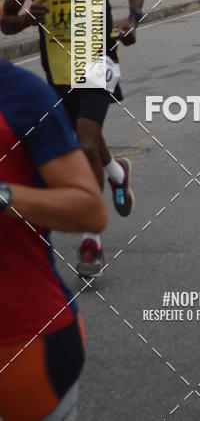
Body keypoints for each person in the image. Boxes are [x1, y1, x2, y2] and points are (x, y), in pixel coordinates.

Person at [1, 0, 144, 277]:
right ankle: (117, 173)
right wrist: (28, 18)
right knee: (88, 136)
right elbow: (6, 22)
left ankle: (90, 243)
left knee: (83, 143)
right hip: (58, 71)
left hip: (99, 64)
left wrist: (133, 18)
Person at [0, 61, 108, 421]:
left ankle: (114, 175)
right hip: (63, 70)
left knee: (89, 142)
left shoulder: (19, 94)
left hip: (23, 342)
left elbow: (90, 209)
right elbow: (15, 13)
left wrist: (3, 197)